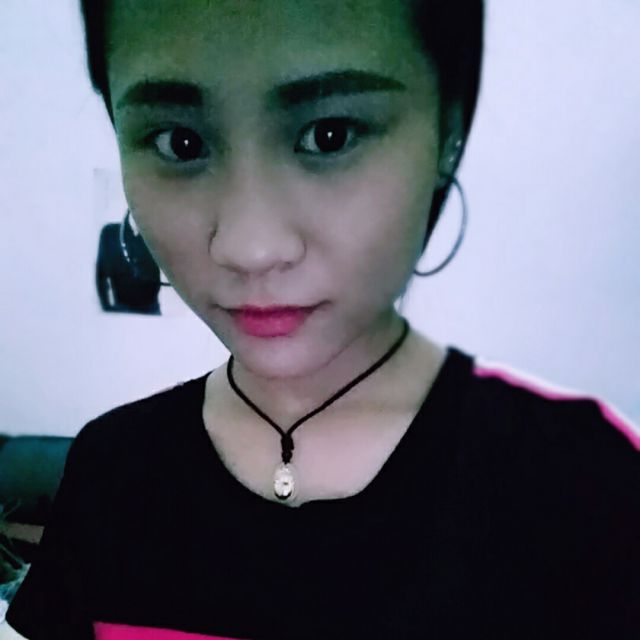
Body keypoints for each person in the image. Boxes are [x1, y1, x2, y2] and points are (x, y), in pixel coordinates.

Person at [5, 0, 640, 638]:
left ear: (449, 130)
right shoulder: (109, 472)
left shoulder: (587, 487)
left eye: (329, 135)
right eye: (181, 142)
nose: (250, 248)